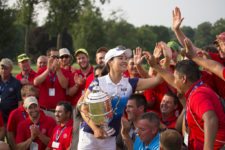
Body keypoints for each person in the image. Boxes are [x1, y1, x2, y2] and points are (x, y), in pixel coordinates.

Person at [78, 46, 162, 150]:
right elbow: (83, 108)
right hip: (90, 135)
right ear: (110, 62)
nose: (125, 61)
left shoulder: (130, 83)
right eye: (120, 58)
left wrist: (158, 62)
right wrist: (95, 129)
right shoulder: (98, 82)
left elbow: (158, 80)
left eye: (126, 58)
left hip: (110, 137)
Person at [146, 54, 225, 149]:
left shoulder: (198, 95)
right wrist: (155, 66)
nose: (174, 81)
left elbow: (211, 119)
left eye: (176, 78)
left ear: (183, 79)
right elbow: (171, 80)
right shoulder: (196, 89)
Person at [172, 7, 225, 99]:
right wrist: (177, 30)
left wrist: (195, 57)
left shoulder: (215, 61)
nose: (219, 47)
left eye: (222, 43)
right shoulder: (215, 58)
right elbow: (191, 47)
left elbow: (216, 67)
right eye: (218, 44)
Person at [34, 49, 69, 117]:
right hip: (44, 110)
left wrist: (58, 70)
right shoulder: (42, 70)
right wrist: (48, 70)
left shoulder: (64, 71)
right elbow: (36, 82)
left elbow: (65, 85)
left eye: (57, 57)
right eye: (53, 57)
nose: (55, 59)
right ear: (48, 58)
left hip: (59, 111)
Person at [7, 85, 38, 150]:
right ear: (23, 97)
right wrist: (14, 147)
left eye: (34, 96)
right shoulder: (15, 113)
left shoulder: (38, 111)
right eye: (29, 96)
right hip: (21, 146)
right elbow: (10, 132)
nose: (32, 98)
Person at [0, 58, 21, 124]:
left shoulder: (16, 82)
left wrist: (18, 115)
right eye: (2, 68)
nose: (3, 71)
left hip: (10, 115)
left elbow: (19, 101)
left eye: (6, 68)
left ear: (11, 69)